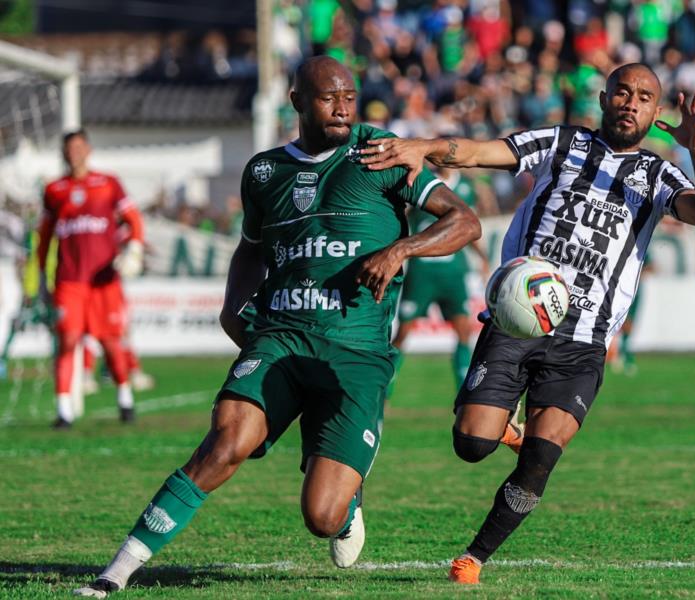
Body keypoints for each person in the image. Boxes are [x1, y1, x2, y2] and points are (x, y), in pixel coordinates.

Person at [73, 56, 480, 597]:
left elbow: (465, 222)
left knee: (321, 515)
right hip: (281, 334)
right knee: (222, 445)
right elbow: (251, 247)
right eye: (328, 96)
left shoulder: (380, 153)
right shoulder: (264, 172)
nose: (342, 107)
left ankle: (348, 494)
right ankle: (116, 573)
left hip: (356, 352)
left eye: (349, 97)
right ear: (297, 102)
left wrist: (401, 249)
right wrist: (231, 304)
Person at [361, 63, 695, 584]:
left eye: (644, 97)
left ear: (654, 111)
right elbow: (480, 151)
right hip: (516, 322)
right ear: (604, 98)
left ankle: (474, 558)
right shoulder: (562, 142)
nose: (631, 102)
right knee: (471, 445)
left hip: (583, 343)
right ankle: (501, 426)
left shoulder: (658, 175)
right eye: (622, 91)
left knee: (538, 460)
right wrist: (423, 145)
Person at [38, 130, 145, 429]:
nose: (74, 153)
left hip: (104, 282)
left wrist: (134, 248)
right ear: (63, 153)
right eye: (69, 148)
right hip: (69, 281)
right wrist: (40, 280)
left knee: (111, 343)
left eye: (79, 147)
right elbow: (44, 238)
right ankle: (63, 411)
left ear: (88, 150)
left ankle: (125, 398)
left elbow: (134, 220)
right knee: (68, 340)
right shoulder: (54, 190)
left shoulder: (108, 184)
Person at [392, 166, 489, 390]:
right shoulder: (419, 183)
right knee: (403, 333)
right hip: (421, 273)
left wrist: (482, 258)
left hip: (453, 273)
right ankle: (382, 392)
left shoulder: (465, 186)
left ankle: (464, 393)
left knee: (463, 331)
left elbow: (469, 227)